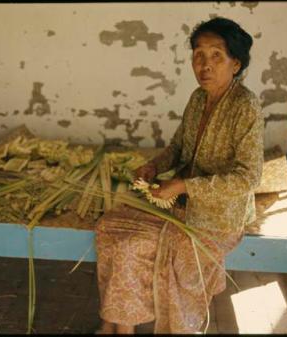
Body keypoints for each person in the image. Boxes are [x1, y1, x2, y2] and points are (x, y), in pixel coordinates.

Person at [95, 17, 264, 334]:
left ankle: (130, 327)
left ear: (236, 63)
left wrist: (185, 184)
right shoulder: (198, 99)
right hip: (181, 203)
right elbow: (178, 147)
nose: (205, 65)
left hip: (218, 216)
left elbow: (248, 178)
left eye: (217, 55)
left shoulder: (246, 106)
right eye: (198, 55)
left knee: (137, 249)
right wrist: (155, 166)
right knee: (110, 227)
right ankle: (115, 323)